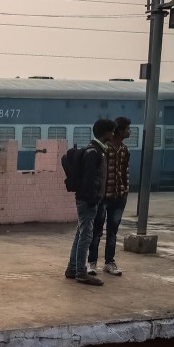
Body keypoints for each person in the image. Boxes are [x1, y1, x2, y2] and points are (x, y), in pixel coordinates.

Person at [66, 118, 116, 287]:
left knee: (81, 234)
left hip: (85, 199)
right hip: (87, 200)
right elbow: (89, 180)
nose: (113, 134)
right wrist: (94, 198)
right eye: (112, 131)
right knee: (86, 236)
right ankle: (81, 272)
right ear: (107, 133)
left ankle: (72, 269)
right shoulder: (94, 152)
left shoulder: (94, 150)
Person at [87, 117, 131, 277]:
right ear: (118, 131)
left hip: (119, 196)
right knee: (97, 231)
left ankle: (109, 263)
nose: (129, 132)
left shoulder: (125, 150)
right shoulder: (104, 150)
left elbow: (125, 171)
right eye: (126, 129)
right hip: (104, 197)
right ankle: (91, 263)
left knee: (113, 231)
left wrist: (125, 190)